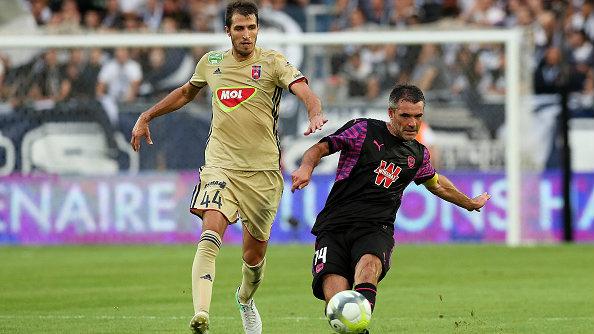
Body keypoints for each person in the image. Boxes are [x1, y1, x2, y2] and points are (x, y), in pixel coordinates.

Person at [130, 1, 327, 333]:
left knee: (253, 258)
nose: (246, 34)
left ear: (258, 29)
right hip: (220, 166)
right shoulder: (212, 62)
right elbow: (184, 93)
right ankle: (201, 314)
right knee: (210, 234)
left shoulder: (273, 62)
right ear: (228, 31)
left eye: (251, 28)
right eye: (239, 28)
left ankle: (245, 299)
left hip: (263, 173)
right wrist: (147, 115)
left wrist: (314, 112)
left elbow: (305, 90)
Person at [291, 84, 489, 333]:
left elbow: (437, 184)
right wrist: (306, 167)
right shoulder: (362, 130)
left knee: (369, 267)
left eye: (418, 116)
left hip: (376, 228)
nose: (413, 123)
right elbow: (319, 148)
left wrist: (469, 203)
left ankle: (359, 323)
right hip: (334, 225)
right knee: (337, 302)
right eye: (406, 116)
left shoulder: (418, 154)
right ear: (391, 113)